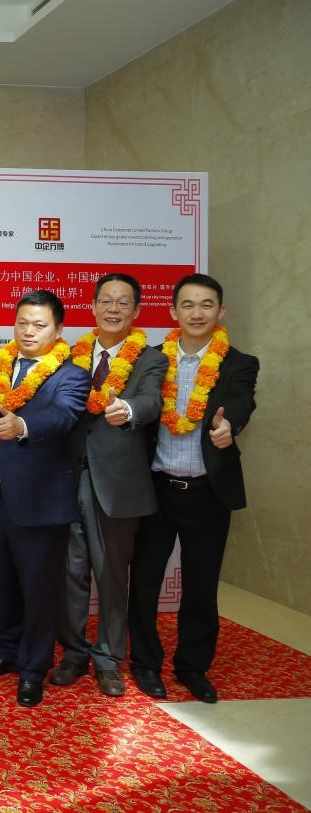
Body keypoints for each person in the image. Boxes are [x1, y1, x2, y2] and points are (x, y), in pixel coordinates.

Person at [127, 273, 258, 704]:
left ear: (220, 311)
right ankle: (145, 663)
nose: (197, 313)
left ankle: (193, 666)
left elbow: (241, 400)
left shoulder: (239, 363)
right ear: (173, 311)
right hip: (155, 488)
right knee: (144, 580)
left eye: (206, 305)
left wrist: (229, 424)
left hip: (207, 492)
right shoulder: (151, 358)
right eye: (187, 304)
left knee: (201, 584)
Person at [52, 274, 168, 697]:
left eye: (123, 302)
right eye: (106, 301)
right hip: (67, 478)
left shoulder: (150, 359)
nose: (113, 309)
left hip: (117, 484)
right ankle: (74, 653)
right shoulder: (71, 354)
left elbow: (152, 400)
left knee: (112, 574)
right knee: (70, 571)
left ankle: (107, 658)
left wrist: (128, 409)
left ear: (136, 310)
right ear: (93, 306)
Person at [0, 290, 89, 707]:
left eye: (39, 325)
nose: (28, 331)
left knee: (39, 589)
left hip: (42, 501)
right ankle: (7, 652)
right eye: (22, 322)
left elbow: (63, 415)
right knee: (2, 582)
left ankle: (33, 669)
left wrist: (22, 425)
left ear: (58, 330)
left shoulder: (72, 375)